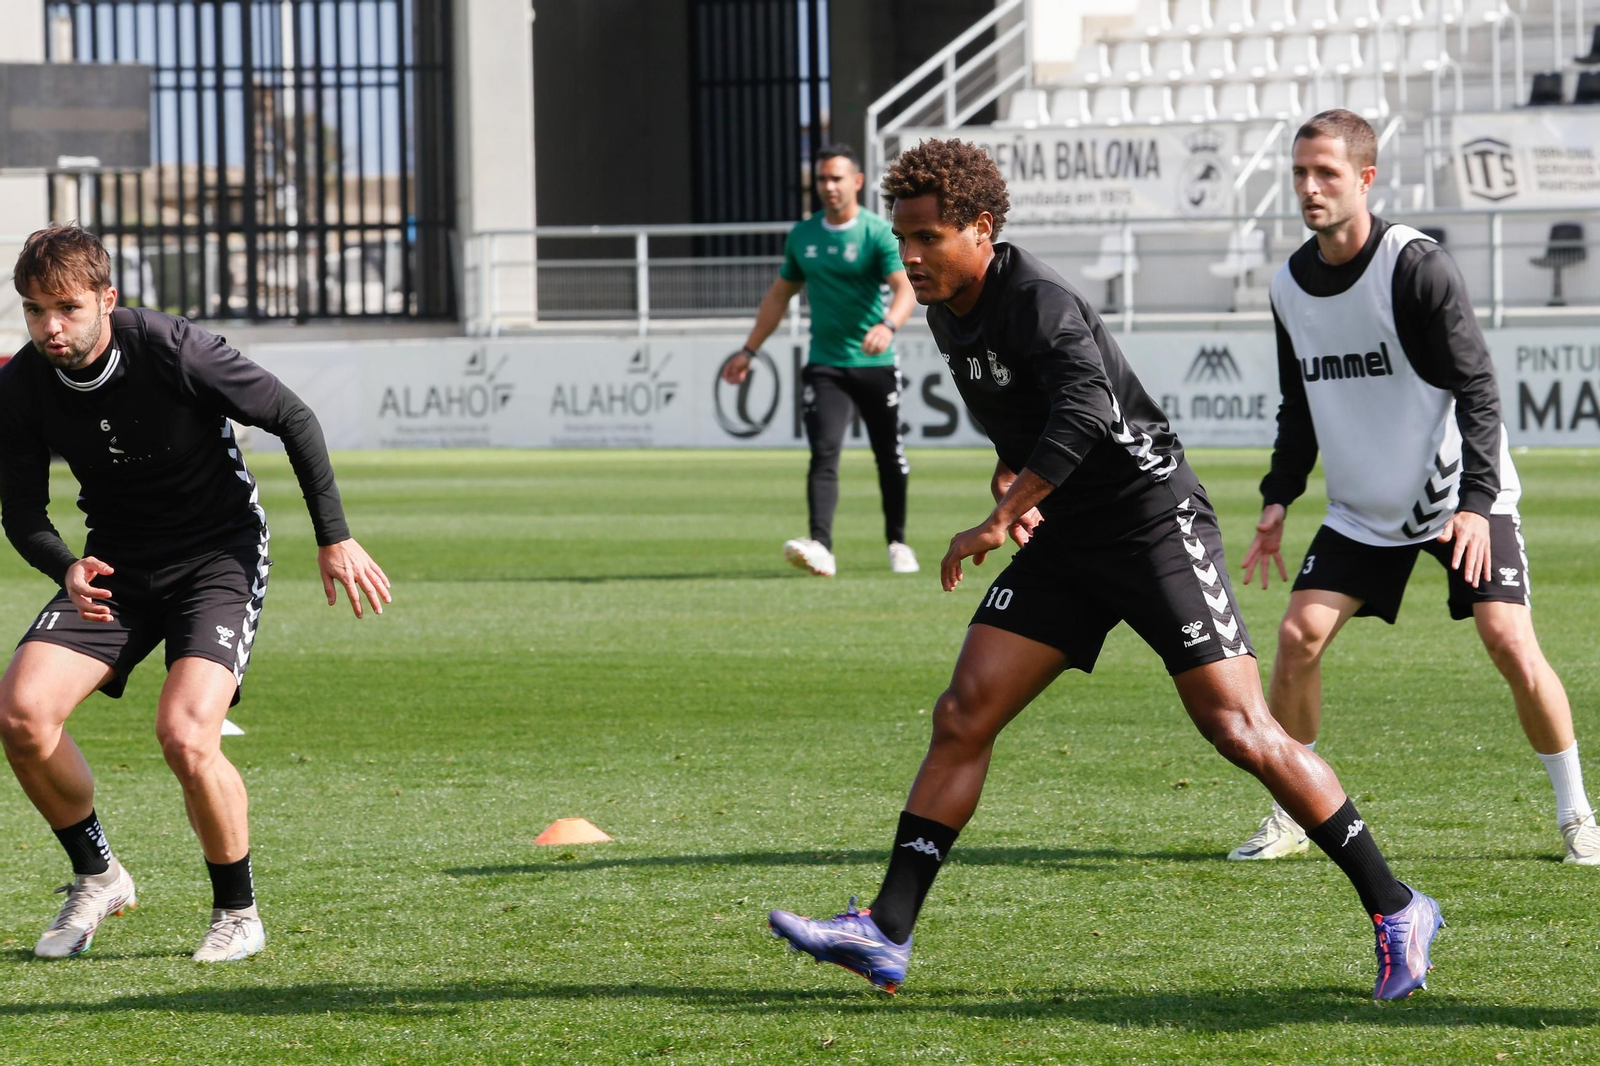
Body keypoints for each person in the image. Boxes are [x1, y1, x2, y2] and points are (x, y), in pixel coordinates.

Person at [767, 138, 1442, 1001]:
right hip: (1070, 538)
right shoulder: (945, 309)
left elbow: (1085, 410)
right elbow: (1028, 420)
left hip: (1153, 522)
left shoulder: (1039, 297)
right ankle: (886, 931)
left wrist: (998, 519)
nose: (911, 258)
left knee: (1239, 730)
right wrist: (1011, 479)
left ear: (980, 228)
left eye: (927, 239)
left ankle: (1397, 906)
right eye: (902, 240)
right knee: (963, 712)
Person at [0, 224, 390, 962]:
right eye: (33, 309)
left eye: (67, 308)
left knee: (184, 734)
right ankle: (99, 876)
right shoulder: (21, 387)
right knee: (21, 714)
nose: (50, 326)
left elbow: (292, 417)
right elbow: (21, 513)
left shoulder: (173, 348)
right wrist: (65, 567)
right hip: (116, 565)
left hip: (217, 556)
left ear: (106, 300)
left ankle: (237, 912)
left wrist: (335, 536)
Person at [1226, 109, 1600, 866]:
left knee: (1509, 641)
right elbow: (1298, 401)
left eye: (1326, 172)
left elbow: (1480, 391)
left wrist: (1475, 507)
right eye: (1299, 173)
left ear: (1365, 179)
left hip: (1458, 493)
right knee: (1297, 639)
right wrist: (1278, 496)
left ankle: (1578, 816)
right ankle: (1292, 812)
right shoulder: (1288, 285)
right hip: (1363, 511)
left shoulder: (1415, 265)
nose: (1309, 187)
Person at [723, 143, 919, 577]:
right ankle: (822, 547)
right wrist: (749, 350)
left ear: (857, 182)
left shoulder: (875, 232)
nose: (829, 187)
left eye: (836, 178)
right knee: (823, 453)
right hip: (825, 364)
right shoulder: (804, 235)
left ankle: (898, 542)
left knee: (889, 454)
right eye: (822, 180)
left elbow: (905, 288)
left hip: (876, 363)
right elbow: (778, 296)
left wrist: (888, 325)